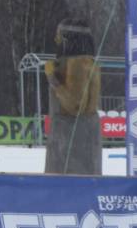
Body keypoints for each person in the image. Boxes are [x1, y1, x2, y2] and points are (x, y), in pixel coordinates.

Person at [43, 18, 102, 175]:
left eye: (59, 35)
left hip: (71, 139)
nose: (56, 40)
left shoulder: (77, 63)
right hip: (80, 136)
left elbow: (75, 105)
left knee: (67, 187)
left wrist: (52, 77)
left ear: (68, 38)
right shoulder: (90, 62)